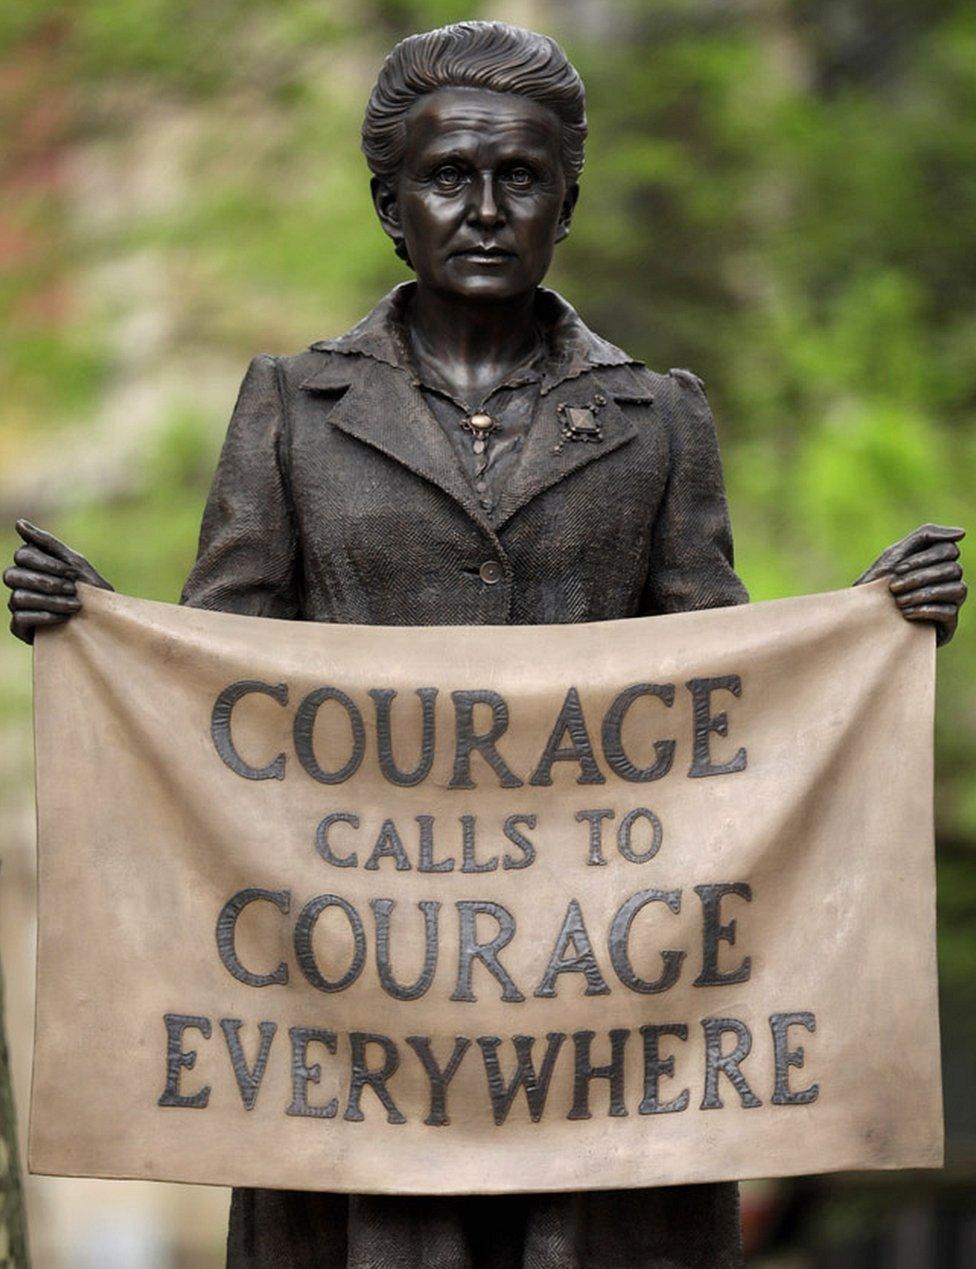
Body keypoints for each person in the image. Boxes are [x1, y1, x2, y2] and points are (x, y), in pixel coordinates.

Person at [3, 20, 966, 1269]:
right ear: (389, 203)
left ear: (566, 201)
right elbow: (220, 689)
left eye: (521, 179)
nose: (484, 209)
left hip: (604, 1035)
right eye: (448, 177)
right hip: (356, 1034)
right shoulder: (293, 410)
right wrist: (105, 635)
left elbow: (725, 708)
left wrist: (860, 632)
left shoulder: (659, 417)